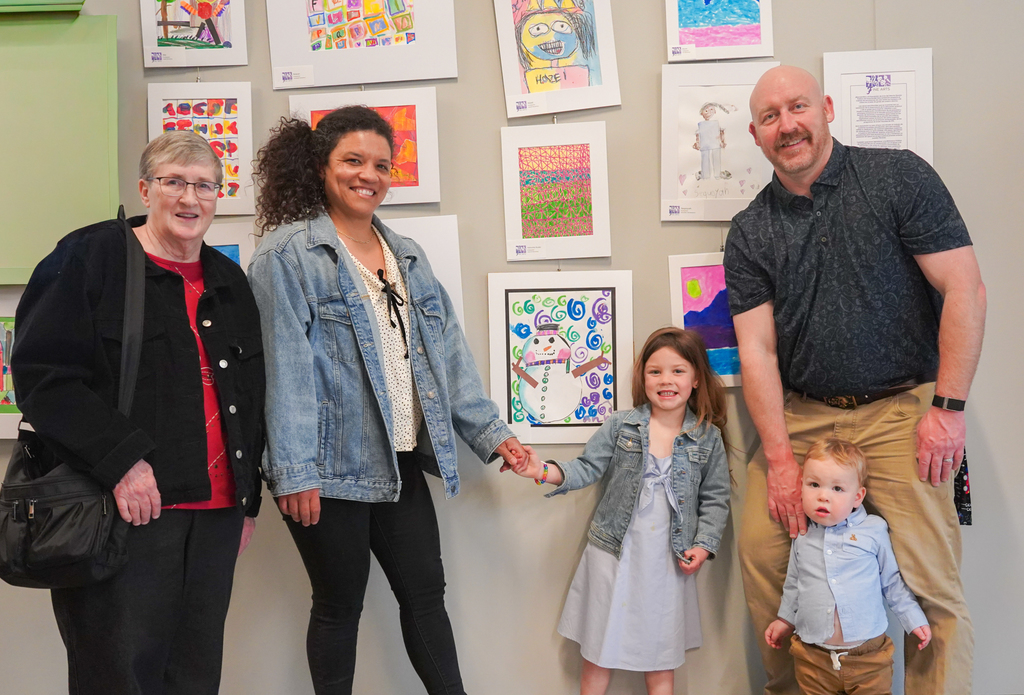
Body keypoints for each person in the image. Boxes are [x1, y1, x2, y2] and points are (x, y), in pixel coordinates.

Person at [724, 65, 985, 695]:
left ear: (827, 108)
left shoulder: (898, 177)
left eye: (798, 107)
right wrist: (781, 459)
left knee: (929, 585)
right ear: (757, 136)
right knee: (764, 557)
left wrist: (947, 409)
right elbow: (756, 350)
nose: (787, 125)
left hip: (902, 409)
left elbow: (965, 290)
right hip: (805, 415)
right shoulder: (750, 230)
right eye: (769, 117)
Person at [248, 105, 526, 695]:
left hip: (398, 462)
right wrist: (296, 472)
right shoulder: (288, 255)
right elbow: (284, 371)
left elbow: (447, 355)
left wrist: (492, 434)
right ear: (320, 166)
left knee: (426, 594)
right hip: (326, 472)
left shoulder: (408, 256)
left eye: (380, 164)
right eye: (352, 160)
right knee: (338, 605)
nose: (367, 174)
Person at [11, 130, 266, 695]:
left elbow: (251, 396)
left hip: (217, 515)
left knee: (194, 677)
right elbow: (43, 376)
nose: (190, 198)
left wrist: (247, 499)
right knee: (119, 677)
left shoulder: (228, 280)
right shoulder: (92, 256)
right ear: (146, 189)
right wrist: (124, 462)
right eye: (175, 181)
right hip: (123, 509)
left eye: (205, 186)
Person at [510, 327, 730, 695]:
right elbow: (586, 468)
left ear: (695, 379)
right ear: (643, 378)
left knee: (661, 653)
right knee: (599, 647)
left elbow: (717, 497)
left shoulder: (707, 437)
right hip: (613, 553)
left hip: (668, 561)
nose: (666, 380)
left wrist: (704, 544)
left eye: (677, 371)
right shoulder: (621, 425)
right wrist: (541, 470)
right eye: (655, 371)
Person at [764, 438, 932, 695]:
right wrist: (785, 619)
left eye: (837, 489)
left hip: (868, 657)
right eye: (814, 484)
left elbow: (891, 582)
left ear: (858, 497)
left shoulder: (873, 530)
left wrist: (913, 619)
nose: (823, 495)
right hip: (813, 657)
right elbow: (794, 583)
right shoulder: (803, 534)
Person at [693, 101, 733, 181]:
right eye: (706, 110)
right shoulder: (701, 124)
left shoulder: (716, 123)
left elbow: (722, 132)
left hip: (716, 143)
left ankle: (717, 174)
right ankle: (705, 175)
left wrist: (722, 141)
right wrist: (697, 143)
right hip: (704, 144)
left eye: (711, 110)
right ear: (702, 113)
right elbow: (698, 135)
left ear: (715, 111)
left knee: (716, 158)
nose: (709, 112)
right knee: (705, 159)